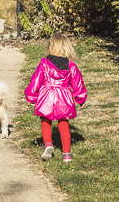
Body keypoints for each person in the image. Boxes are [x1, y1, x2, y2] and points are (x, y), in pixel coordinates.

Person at [24, 32, 87, 163]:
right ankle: (67, 153)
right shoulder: (71, 66)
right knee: (64, 124)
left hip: (47, 95)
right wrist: (80, 97)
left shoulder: (44, 63)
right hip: (64, 97)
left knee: (45, 121)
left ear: (50, 47)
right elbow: (78, 83)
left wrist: (31, 95)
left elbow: (36, 80)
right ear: (65, 48)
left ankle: (48, 144)